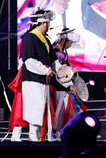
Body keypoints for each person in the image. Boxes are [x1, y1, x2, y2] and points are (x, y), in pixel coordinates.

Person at [13, 9, 56, 142]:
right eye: (48, 22)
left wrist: (62, 70)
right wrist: (45, 70)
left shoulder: (45, 39)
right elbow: (29, 60)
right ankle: (32, 136)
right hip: (32, 78)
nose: (49, 24)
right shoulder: (29, 37)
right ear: (43, 22)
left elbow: (53, 60)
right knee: (37, 106)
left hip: (42, 79)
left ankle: (36, 135)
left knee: (41, 107)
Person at [50, 28, 81, 140]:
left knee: (63, 112)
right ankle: (56, 135)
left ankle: (59, 134)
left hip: (63, 86)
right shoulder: (57, 52)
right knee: (59, 112)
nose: (71, 45)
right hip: (60, 86)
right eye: (70, 42)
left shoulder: (61, 51)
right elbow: (60, 72)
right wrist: (69, 84)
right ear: (64, 40)